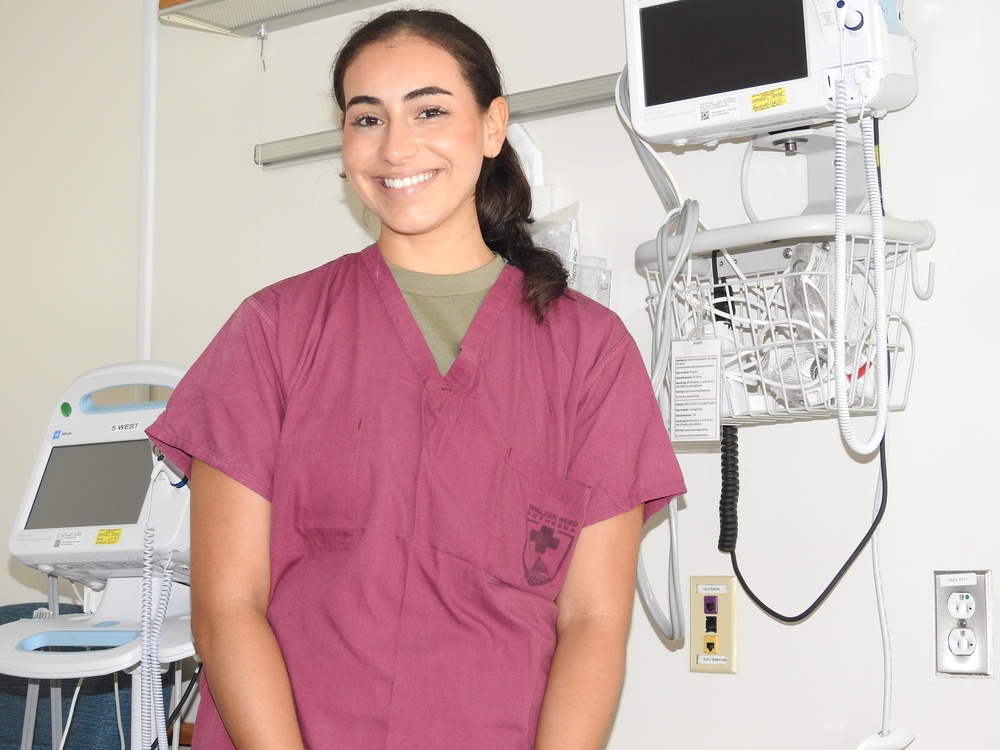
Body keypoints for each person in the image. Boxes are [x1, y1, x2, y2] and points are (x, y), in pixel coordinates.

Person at [146, 8, 685, 750]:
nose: (396, 146)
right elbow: (227, 607)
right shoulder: (274, 331)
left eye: (429, 110)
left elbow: (593, 621)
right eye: (366, 118)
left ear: (492, 128)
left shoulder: (589, 354)